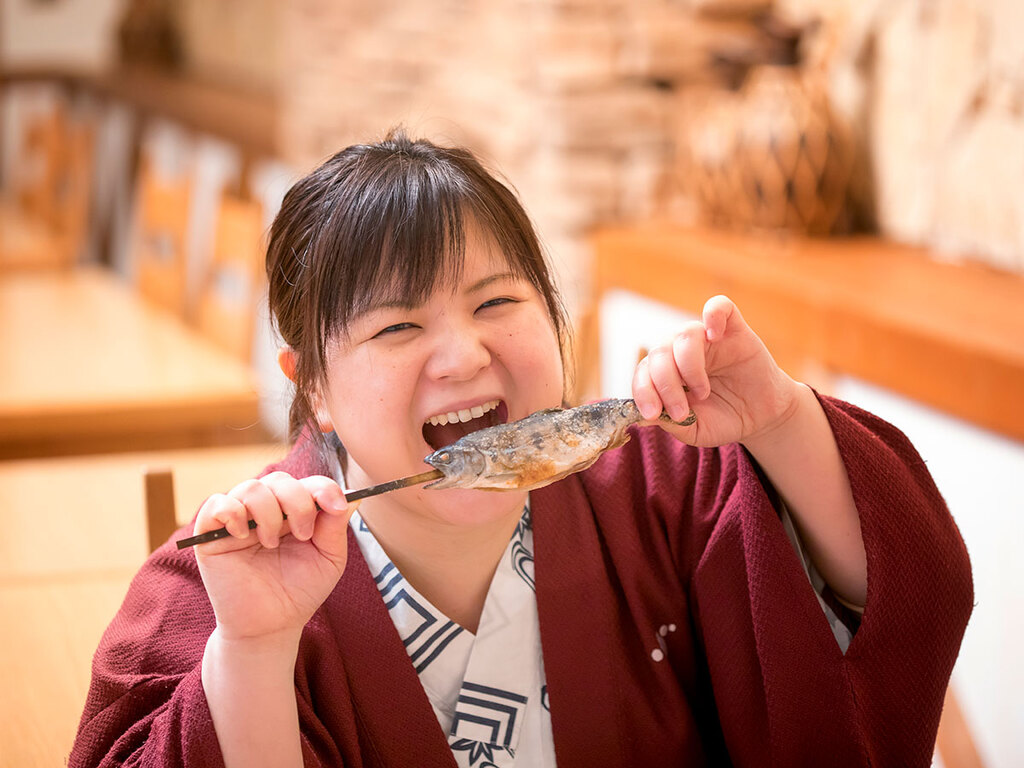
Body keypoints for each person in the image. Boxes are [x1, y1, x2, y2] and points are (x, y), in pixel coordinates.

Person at [71, 130, 972, 768]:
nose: (465, 355)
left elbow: (902, 594)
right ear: (313, 387)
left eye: (498, 303)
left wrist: (777, 420)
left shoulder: (658, 488)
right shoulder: (224, 585)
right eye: (397, 326)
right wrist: (254, 655)